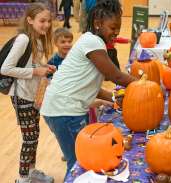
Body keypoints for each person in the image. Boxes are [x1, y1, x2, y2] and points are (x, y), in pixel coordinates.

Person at [40, 0, 137, 179]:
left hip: (59, 108)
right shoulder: (92, 41)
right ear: (98, 24)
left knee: (81, 160)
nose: (116, 32)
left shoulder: (92, 41)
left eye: (118, 28)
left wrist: (112, 98)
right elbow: (115, 76)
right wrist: (143, 85)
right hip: (64, 111)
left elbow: (89, 84)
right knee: (79, 163)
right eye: (113, 27)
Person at [0, 3, 55, 183]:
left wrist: (44, 67)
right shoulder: (23, 39)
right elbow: (6, 68)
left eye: (48, 21)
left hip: (33, 95)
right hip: (21, 96)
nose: (46, 25)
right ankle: (22, 179)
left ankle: (31, 172)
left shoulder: (39, 38)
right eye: (42, 21)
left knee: (34, 135)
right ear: (30, 20)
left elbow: (29, 64)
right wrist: (35, 72)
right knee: (29, 138)